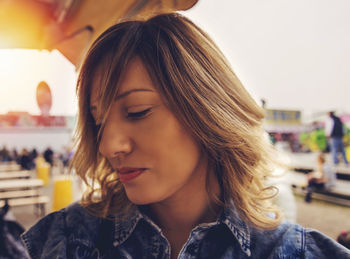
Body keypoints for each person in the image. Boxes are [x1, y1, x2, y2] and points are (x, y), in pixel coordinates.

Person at [21, 13, 350, 258]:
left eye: (137, 111)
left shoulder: (298, 252)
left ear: (206, 109)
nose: (109, 145)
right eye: (97, 122)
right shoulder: (60, 241)